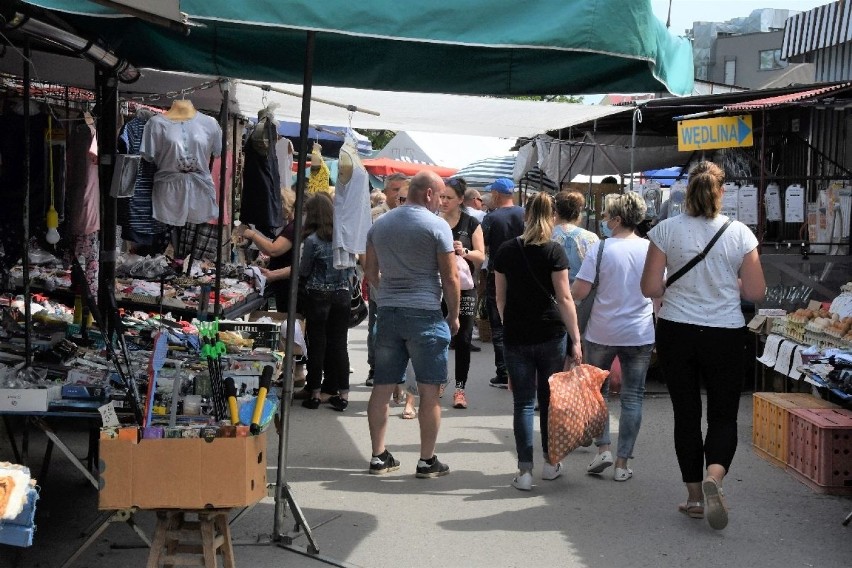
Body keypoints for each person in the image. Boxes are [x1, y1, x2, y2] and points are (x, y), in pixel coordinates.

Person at [641, 160, 765, 530]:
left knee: (687, 414)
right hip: (725, 332)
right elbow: (756, 292)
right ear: (721, 191)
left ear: (686, 193)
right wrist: (732, 284)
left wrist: (672, 286)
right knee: (724, 414)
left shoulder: (665, 230)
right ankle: (716, 475)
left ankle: (695, 497)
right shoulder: (740, 233)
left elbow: (649, 288)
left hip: (677, 330)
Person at [364, 171, 460, 478]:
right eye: (441, 196)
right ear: (429, 194)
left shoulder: (380, 224)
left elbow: (370, 273)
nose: (442, 202)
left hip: (390, 311)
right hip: (424, 312)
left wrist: (388, 291)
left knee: (382, 387)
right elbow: (450, 277)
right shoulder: (436, 226)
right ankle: (426, 460)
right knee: (430, 390)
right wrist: (454, 315)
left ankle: (379, 456)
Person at [493, 192, 583, 491]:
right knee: (548, 402)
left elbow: (499, 298)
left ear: (526, 215)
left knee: (522, 404)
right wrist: (577, 339)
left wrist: (510, 325)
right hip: (550, 334)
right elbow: (565, 298)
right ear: (553, 216)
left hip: (517, 335)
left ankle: (524, 471)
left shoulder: (506, 250)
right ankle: (550, 463)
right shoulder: (554, 251)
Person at [571, 192, 655, 482]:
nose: (605, 221)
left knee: (598, 393)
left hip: (602, 331)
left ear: (618, 219)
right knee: (633, 397)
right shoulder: (650, 249)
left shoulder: (601, 249)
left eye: (607, 216)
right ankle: (622, 464)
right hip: (639, 332)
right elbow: (659, 291)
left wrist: (562, 296)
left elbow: (580, 292)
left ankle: (603, 448)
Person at [298, 193, 355, 411]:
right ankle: (344, 394)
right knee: (339, 344)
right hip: (342, 296)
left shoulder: (312, 240)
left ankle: (313, 392)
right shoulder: (343, 238)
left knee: (317, 344)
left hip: (317, 296)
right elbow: (351, 269)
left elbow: (304, 270)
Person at [439, 177, 485, 409]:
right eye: (441, 197)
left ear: (459, 200)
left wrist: (464, 250)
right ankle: (437, 380)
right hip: (436, 286)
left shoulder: (470, 223)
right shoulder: (434, 220)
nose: (443, 201)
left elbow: (481, 256)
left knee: (463, 338)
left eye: (448, 197)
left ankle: (460, 388)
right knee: (438, 337)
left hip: (465, 288)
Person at [366, 174, 411, 387]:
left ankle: (398, 374)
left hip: (404, 284)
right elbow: (365, 250)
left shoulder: (414, 216)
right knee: (377, 327)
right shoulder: (376, 216)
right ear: (385, 192)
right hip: (381, 280)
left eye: (402, 190)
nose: (399, 195)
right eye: (395, 190)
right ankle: (376, 368)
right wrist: (373, 275)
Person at [481, 177, 525, 389]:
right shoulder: (525, 214)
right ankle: (521, 370)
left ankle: (504, 372)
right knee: (521, 322)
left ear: (497, 195)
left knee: (498, 325)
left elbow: (483, 246)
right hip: (524, 274)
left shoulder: (491, 218)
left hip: (497, 275)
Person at [234, 188, 297, 312]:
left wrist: (251, 234)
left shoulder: (292, 228)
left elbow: (274, 249)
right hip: (282, 282)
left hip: (286, 285)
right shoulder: (290, 226)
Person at [552, 191, 599, 283]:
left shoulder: (546, 235)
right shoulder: (591, 238)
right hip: (584, 293)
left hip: (553, 292)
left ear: (555, 212)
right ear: (579, 213)